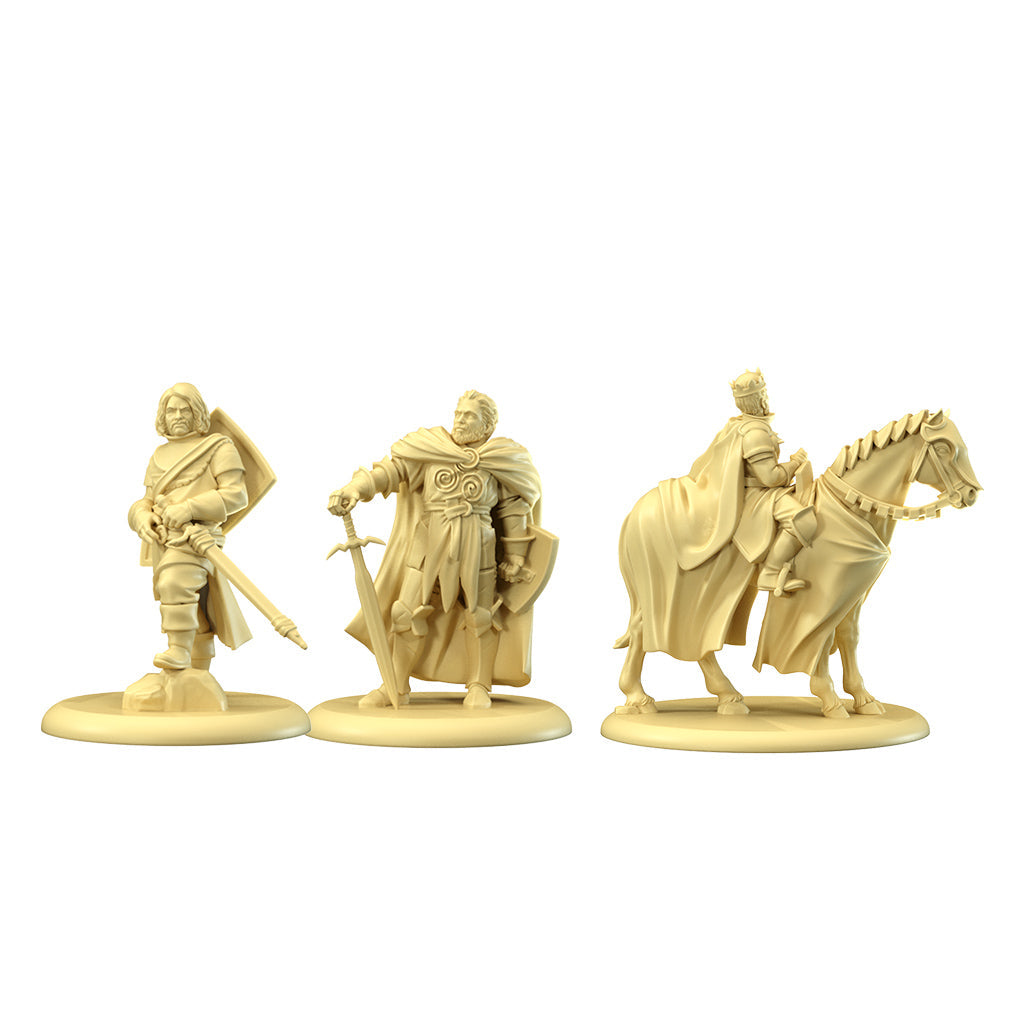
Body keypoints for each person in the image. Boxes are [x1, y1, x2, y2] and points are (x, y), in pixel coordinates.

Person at [328, 390, 544, 708]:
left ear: (487, 426)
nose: (460, 420)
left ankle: (479, 685)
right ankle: (395, 684)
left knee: (481, 616)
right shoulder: (430, 449)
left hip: (478, 544)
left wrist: (515, 556)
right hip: (428, 543)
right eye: (458, 413)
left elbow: (514, 510)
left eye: (469, 416)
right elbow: (392, 471)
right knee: (406, 612)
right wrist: (355, 489)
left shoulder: (502, 459)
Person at [128, 382, 252, 673]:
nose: (178, 416)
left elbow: (236, 495)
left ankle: (179, 651)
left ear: (197, 412)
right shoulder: (158, 455)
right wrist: (140, 516)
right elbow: (147, 500)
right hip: (165, 540)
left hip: (198, 538)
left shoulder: (219, 447)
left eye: (184, 410)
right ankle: (196, 675)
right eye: (171, 410)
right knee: (193, 608)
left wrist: (189, 508)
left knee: (174, 583)